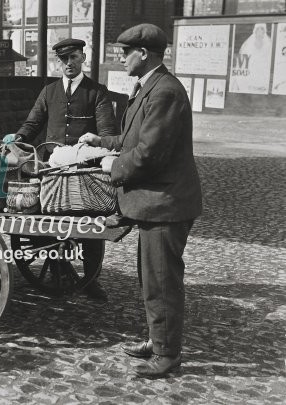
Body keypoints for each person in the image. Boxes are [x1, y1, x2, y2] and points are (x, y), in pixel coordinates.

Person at [79, 23, 202, 378]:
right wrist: (102, 143)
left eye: (124, 52)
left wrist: (111, 165)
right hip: (157, 201)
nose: (121, 58)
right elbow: (134, 138)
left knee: (161, 279)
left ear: (143, 54)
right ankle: (157, 338)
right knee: (151, 278)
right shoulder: (150, 86)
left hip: (165, 203)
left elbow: (148, 155)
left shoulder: (164, 92)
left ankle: (167, 355)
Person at [8, 37, 119, 301]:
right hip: (53, 170)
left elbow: (106, 132)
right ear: (58, 62)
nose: (68, 64)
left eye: (73, 58)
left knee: (88, 223)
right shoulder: (49, 91)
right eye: (63, 59)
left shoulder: (97, 91)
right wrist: (19, 138)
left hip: (84, 171)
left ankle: (91, 278)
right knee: (49, 221)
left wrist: (99, 147)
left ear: (82, 58)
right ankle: (59, 266)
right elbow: (33, 124)